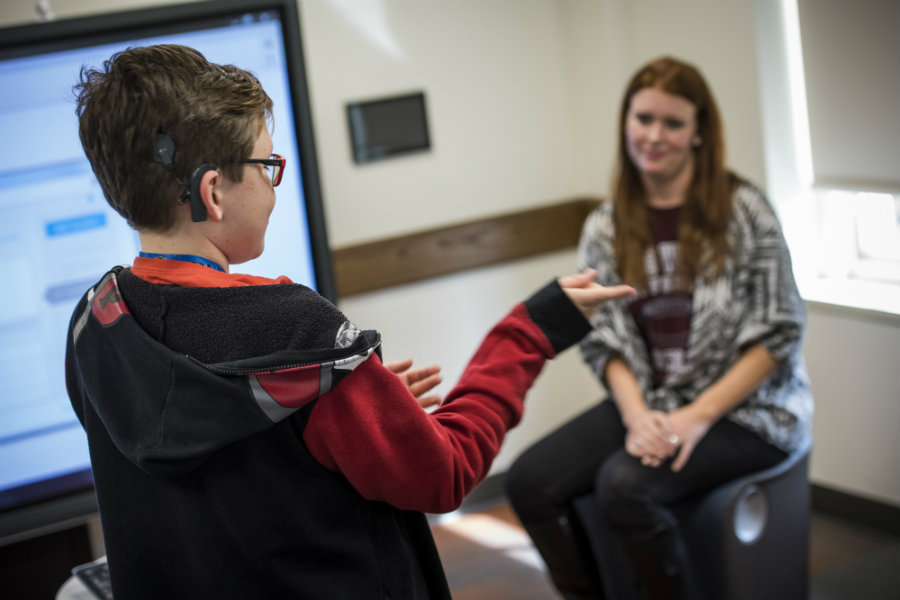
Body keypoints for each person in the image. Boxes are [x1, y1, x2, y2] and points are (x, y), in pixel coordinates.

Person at [64, 44, 634, 600]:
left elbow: (209, 468)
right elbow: (446, 471)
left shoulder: (96, 322)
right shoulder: (294, 335)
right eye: (266, 166)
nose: (272, 185)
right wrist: (529, 332)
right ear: (211, 192)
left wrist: (356, 417)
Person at [504, 56, 814, 600]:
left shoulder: (746, 211)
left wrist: (695, 418)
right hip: (651, 400)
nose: (654, 135)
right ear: (626, 122)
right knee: (529, 483)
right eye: (642, 118)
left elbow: (778, 333)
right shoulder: (605, 224)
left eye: (672, 123)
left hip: (749, 411)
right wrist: (637, 416)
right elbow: (604, 340)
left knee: (623, 488)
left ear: (699, 133)